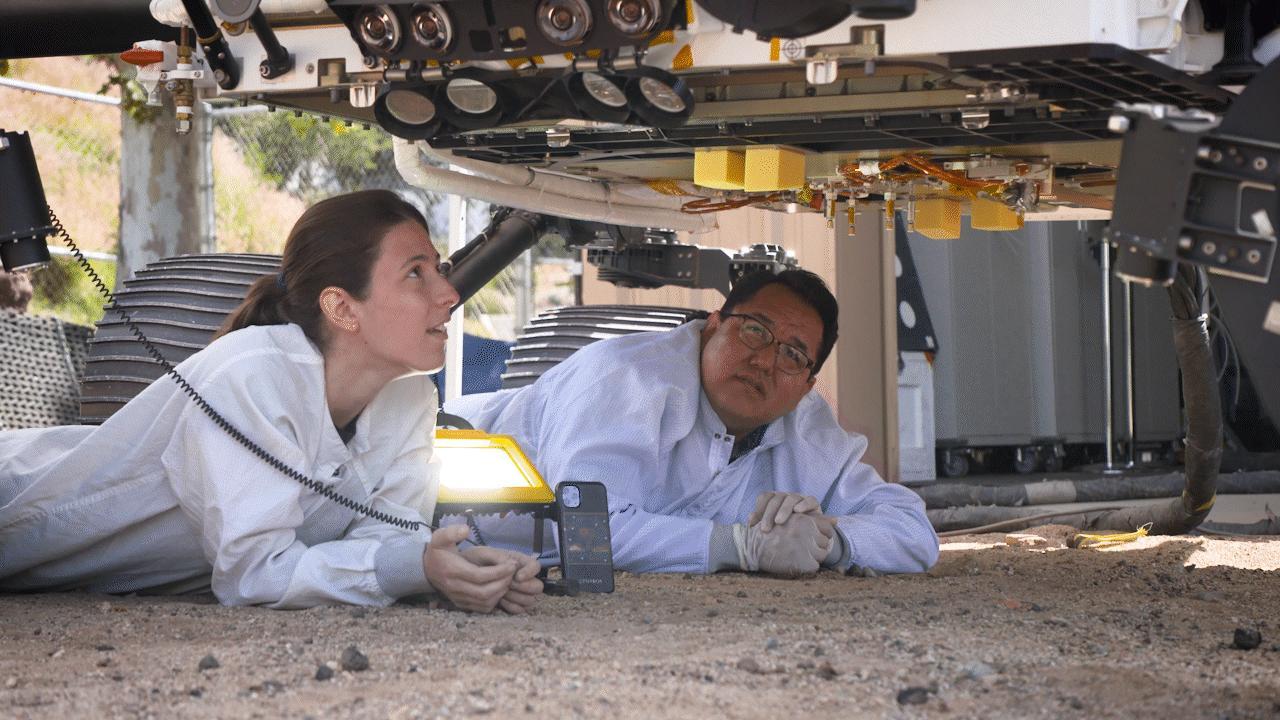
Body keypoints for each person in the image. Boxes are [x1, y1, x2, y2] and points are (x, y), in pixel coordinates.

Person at [0, 190, 542, 613]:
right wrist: (413, 568)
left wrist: (451, 568)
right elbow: (253, 574)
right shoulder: (253, 375)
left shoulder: (409, 399)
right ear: (341, 307)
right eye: (415, 273)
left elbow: (391, 536)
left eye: (438, 269)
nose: (449, 294)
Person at [446, 269, 939, 577]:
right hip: (434, 489)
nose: (766, 361)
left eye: (792, 354)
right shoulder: (629, 379)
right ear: (713, 324)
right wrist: (742, 546)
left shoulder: (806, 425)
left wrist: (830, 541)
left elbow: (914, 531)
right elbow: (586, 531)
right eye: (754, 331)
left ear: (807, 384)